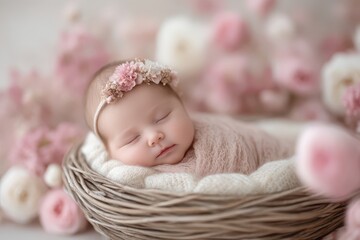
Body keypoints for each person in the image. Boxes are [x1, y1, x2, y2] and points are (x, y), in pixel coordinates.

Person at [85, 58, 294, 178]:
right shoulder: (131, 179)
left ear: (183, 107)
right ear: (110, 153)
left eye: (162, 117)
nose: (154, 137)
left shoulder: (218, 139)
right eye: (131, 139)